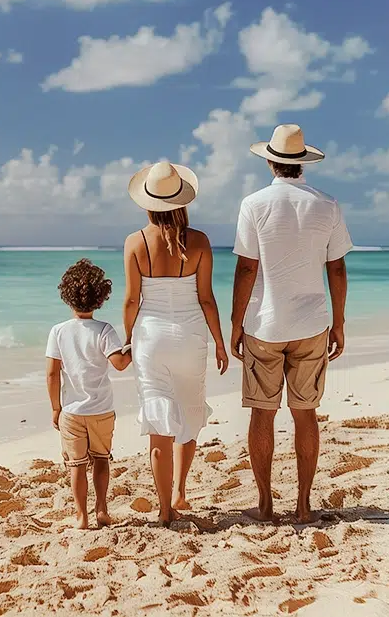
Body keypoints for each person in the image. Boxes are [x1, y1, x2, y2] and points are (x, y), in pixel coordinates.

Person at [231, 124, 353, 524]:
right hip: (312, 322)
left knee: (262, 414)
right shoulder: (327, 205)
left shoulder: (254, 204)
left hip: (264, 325)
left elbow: (247, 268)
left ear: (270, 160)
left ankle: (265, 505)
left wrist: (235, 322)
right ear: (301, 163)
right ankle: (303, 505)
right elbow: (336, 269)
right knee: (306, 413)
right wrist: (339, 323)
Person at [122, 161, 229, 526]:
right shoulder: (199, 241)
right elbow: (207, 299)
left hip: (150, 338)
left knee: (158, 420)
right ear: (182, 201)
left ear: (147, 202)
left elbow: (131, 300)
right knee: (189, 411)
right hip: (191, 336)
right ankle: (182, 489)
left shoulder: (135, 242)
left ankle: (165, 508)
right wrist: (219, 341)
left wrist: (126, 338)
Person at [46, 259, 133, 530]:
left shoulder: (58, 332)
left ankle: (81, 516)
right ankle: (103, 510)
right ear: (100, 297)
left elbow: (51, 374)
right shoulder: (104, 330)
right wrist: (133, 344)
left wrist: (55, 408)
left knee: (76, 465)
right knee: (101, 460)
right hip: (101, 410)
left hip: (72, 411)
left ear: (67, 297)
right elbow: (119, 364)